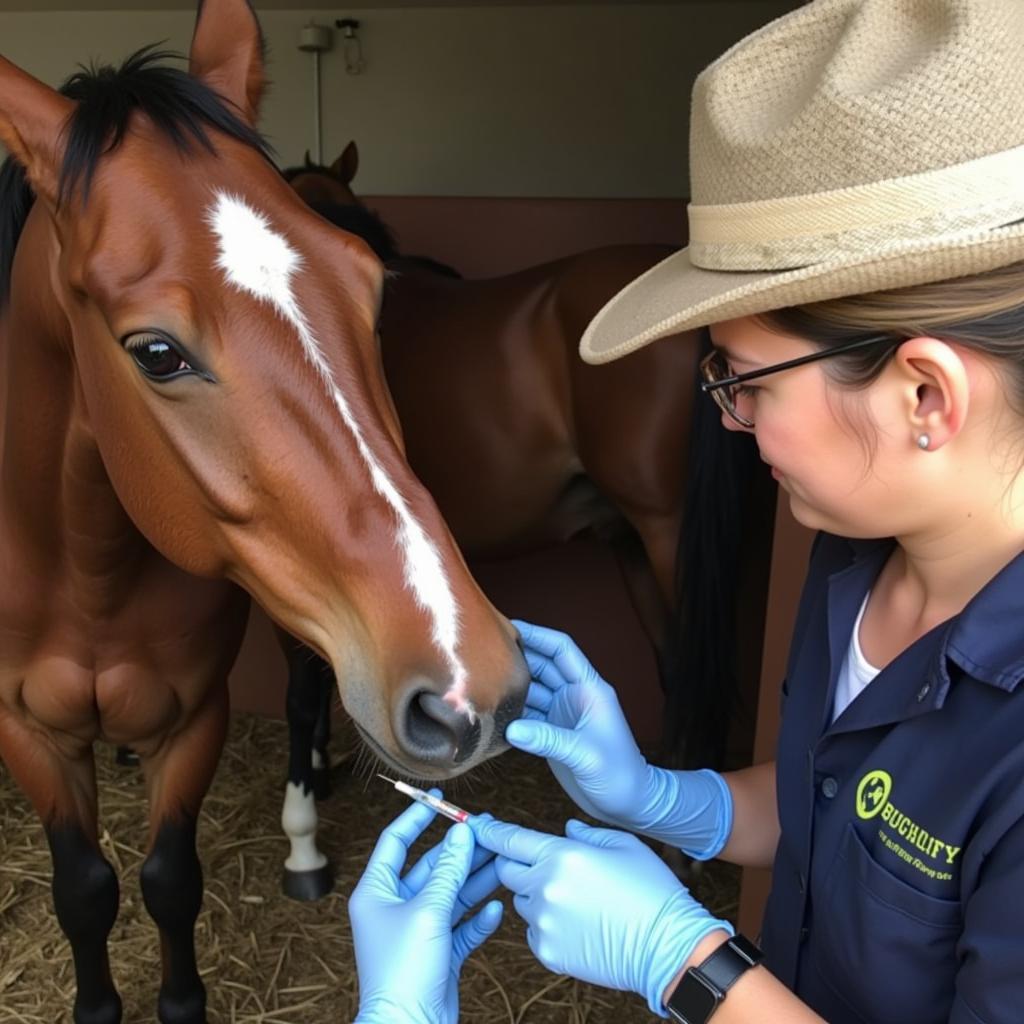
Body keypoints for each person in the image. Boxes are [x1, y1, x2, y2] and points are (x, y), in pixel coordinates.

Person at [349, 0, 1024, 1020]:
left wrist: (690, 962)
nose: (730, 421)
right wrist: (671, 800)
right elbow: (836, 815)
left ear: (923, 396)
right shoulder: (854, 570)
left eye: (746, 382)